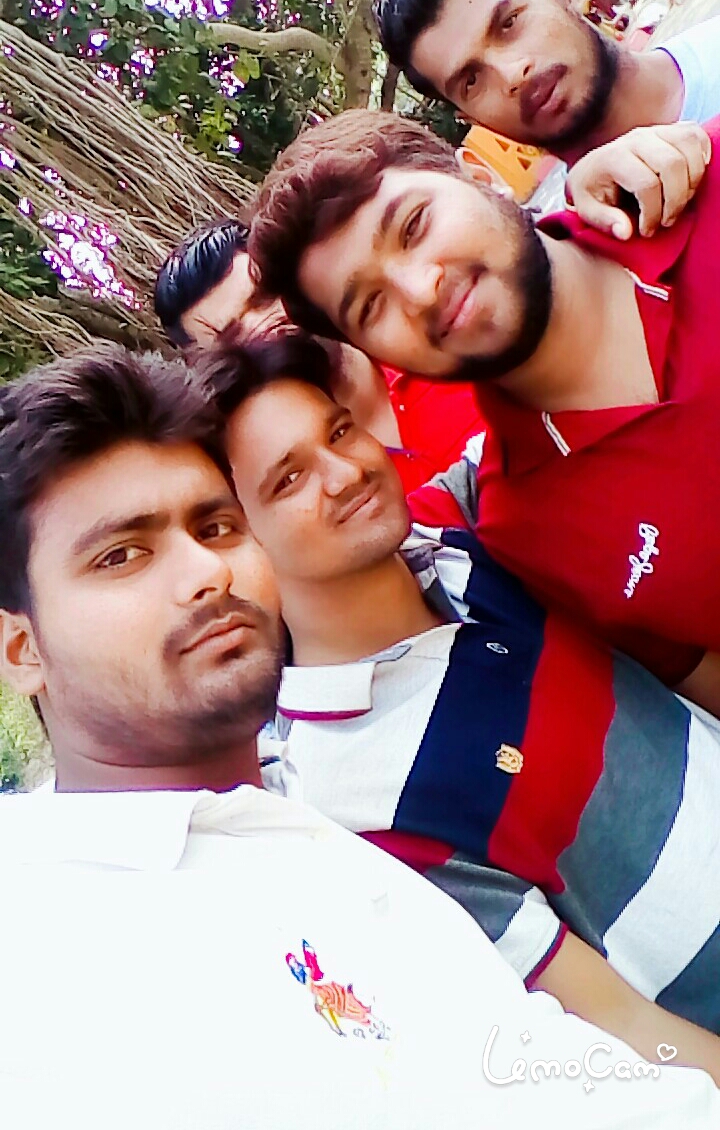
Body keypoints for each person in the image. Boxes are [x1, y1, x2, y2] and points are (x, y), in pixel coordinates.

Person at [3, 345, 704, 1130]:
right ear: (21, 649)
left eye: (216, 526)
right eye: (122, 555)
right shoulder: (48, 954)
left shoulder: (307, 827)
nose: (206, 571)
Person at [200, 330, 720, 1069]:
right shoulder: (356, 801)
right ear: (238, 542)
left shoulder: (467, 534)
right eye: (290, 480)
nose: (345, 473)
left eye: (339, 432)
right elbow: (615, 1021)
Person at [248, 107, 720, 705]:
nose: (420, 290)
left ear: (478, 175)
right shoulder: (528, 532)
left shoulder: (695, 178)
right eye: (371, 306)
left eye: (414, 226)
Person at [155, 217, 484, 491]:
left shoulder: (440, 335)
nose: (265, 328)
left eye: (264, 297)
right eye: (233, 336)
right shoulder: (309, 497)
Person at [373, 0, 720, 166]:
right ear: (471, 119)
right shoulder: (576, 246)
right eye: (471, 81)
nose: (512, 74)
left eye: (509, 23)